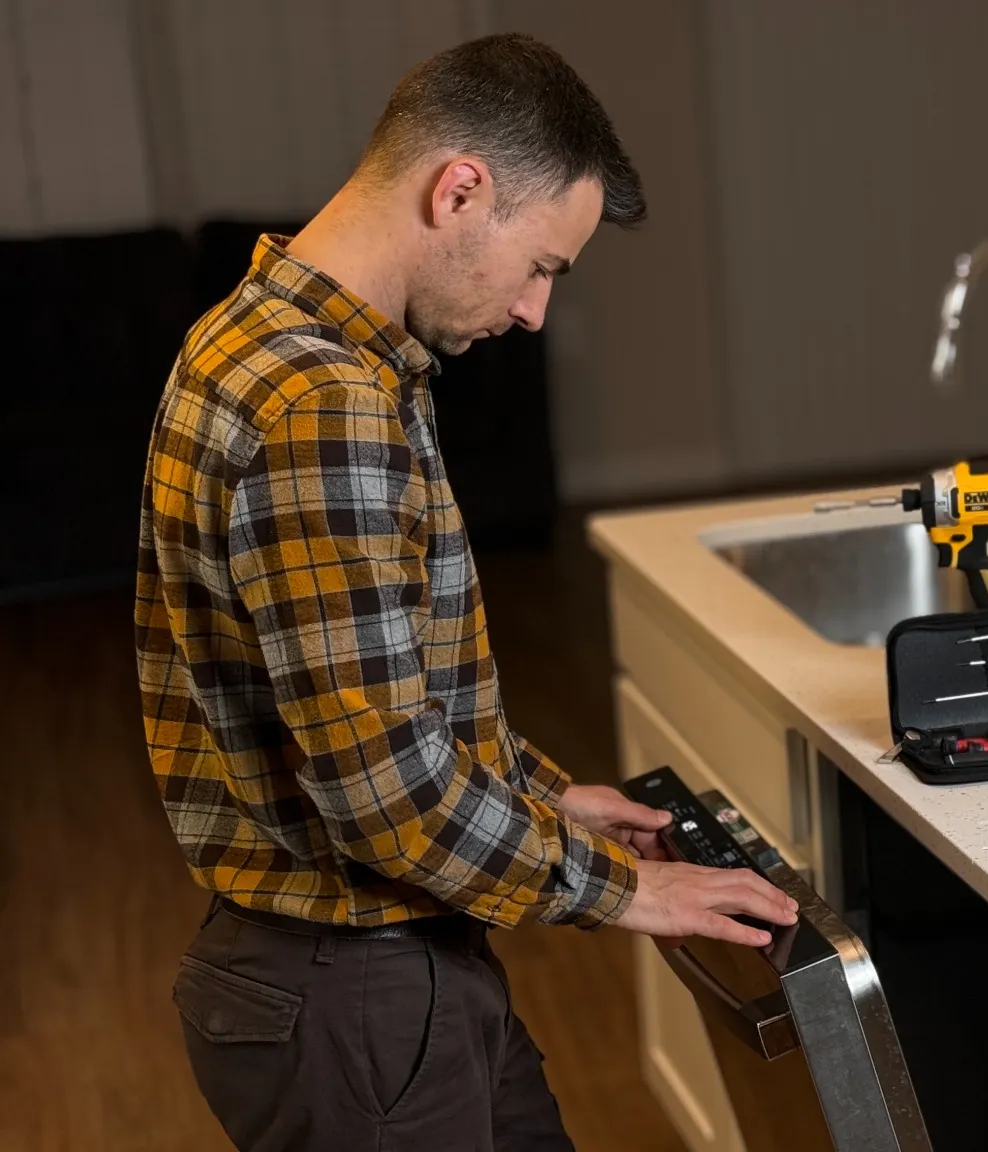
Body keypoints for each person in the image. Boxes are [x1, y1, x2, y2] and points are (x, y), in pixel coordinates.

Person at [133, 32, 796, 1152]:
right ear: (459, 189)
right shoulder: (321, 401)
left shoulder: (261, 336)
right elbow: (387, 793)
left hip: (380, 975)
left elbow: (385, 695)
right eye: (541, 264)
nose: (536, 312)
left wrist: (545, 799)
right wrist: (628, 894)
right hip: (356, 994)